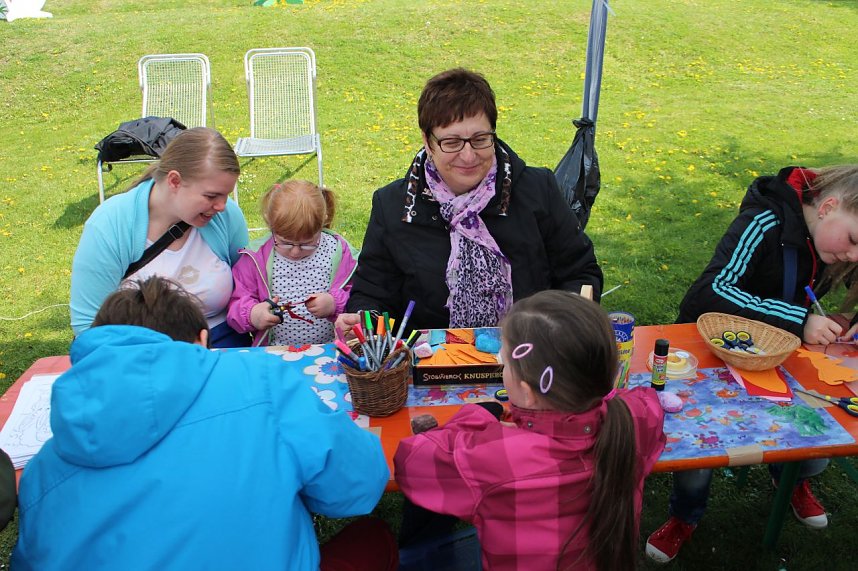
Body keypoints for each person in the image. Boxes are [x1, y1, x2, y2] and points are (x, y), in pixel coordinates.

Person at [13, 277, 393, 571]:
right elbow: (356, 488)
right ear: (203, 339)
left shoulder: (41, 469)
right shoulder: (259, 378)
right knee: (374, 539)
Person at [646, 165, 858, 564]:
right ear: (828, 206)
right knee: (699, 449)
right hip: (713, 351)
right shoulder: (765, 220)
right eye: (852, 241)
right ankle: (685, 515)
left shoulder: (832, 239)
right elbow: (710, 292)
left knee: (819, 436)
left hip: (781, 355)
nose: (853, 255)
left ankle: (790, 478)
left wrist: (850, 322)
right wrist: (797, 319)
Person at [394, 290, 666, 571]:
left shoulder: (493, 457)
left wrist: (480, 413)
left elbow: (411, 462)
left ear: (526, 392)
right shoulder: (633, 418)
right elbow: (646, 401)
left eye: (505, 362)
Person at [337, 68, 603, 334]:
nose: (468, 156)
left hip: (529, 355)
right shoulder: (395, 206)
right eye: (451, 142)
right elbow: (372, 292)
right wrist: (364, 319)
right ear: (428, 142)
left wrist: (564, 322)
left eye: (480, 139)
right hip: (432, 363)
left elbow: (580, 272)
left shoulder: (536, 189)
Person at [70, 127, 251, 348]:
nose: (222, 206)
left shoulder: (227, 217)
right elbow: (88, 326)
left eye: (226, 195)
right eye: (211, 196)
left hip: (221, 345)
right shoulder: (109, 224)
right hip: (139, 353)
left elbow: (248, 285)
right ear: (174, 181)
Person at [227, 180, 358, 346]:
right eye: (285, 243)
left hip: (331, 349)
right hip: (276, 352)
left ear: (322, 223)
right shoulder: (255, 258)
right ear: (270, 224)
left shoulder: (339, 252)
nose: (295, 251)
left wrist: (335, 303)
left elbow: (359, 295)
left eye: (307, 244)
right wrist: (253, 314)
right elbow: (237, 303)